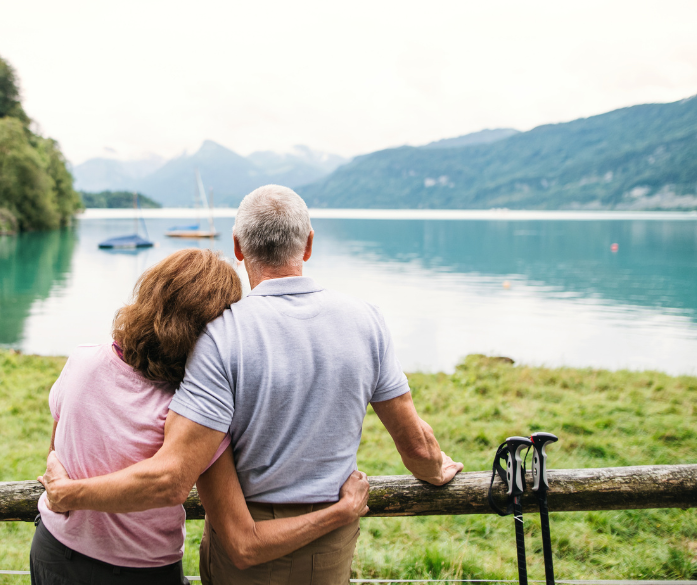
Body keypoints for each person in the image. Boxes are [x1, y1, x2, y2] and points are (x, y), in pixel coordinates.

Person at [39, 186, 463, 584]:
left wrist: (65, 492)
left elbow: (165, 469)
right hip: (326, 546)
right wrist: (436, 467)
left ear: (239, 246)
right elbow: (417, 446)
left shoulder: (220, 336)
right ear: (309, 244)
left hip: (233, 530)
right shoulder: (367, 319)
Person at [31, 248, 372, 585]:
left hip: (53, 551)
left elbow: (56, 455)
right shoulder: (192, 416)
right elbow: (244, 541)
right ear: (210, 329)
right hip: (139, 570)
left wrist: (65, 492)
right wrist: (341, 512)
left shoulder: (82, 361)